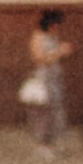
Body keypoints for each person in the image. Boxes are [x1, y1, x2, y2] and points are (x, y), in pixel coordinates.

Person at [21, 8, 70, 154]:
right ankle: (42, 144)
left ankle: (52, 142)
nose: (57, 28)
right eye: (55, 24)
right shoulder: (38, 36)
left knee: (56, 110)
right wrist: (59, 52)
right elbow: (39, 58)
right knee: (43, 112)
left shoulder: (53, 36)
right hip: (43, 77)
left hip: (55, 76)